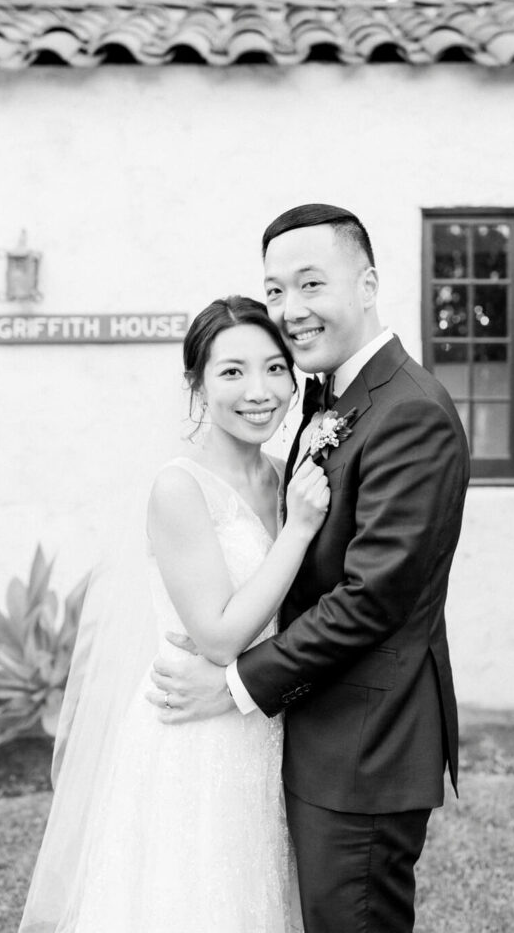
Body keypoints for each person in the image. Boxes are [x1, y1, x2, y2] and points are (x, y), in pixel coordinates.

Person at [150, 204, 470, 933]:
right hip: (318, 730)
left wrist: (232, 685)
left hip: (365, 743)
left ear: (367, 283)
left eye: (310, 285)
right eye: (275, 290)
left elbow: (369, 600)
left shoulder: (409, 412)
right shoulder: (336, 397)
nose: (290, 311)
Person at [20, 295, 330, 933]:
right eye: (232, 371)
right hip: (192, 733)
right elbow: (217, 636)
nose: (260, 391)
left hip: (264, 719)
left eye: (276, 368)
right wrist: (297, 532)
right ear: (197, 384)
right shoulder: (179, 487)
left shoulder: (286, 474)